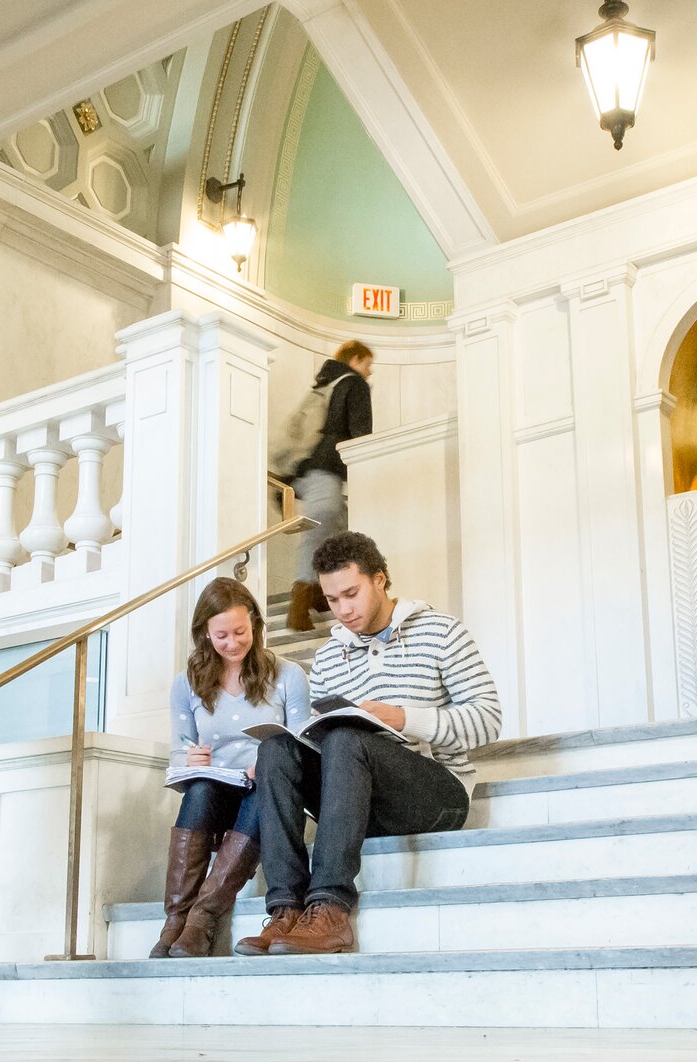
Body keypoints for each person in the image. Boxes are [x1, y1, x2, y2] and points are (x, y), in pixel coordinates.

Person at [241, 532, 500, 956]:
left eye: (351, 594)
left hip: (436, 796)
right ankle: (286, 909)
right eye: (332, 600)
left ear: (380, 579)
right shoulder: (327, 658)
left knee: (346, 738)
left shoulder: (441, 632)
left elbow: (488, 721)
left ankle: (329, 908)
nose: (343, 610)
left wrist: (403, 718)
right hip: (355, 802)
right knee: (275, 751)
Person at [157, 577, 311, 958]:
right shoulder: (187, 683)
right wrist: (188, 759)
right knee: (201, 789)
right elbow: (179, 752)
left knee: (263, 794)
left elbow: (304, 745)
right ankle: (175, 920)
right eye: (221, 635)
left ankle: (202, 919)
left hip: (267, 792)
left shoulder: (289, 675)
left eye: (240, 632)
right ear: (204, 634)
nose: (232, 643)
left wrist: (272, 759)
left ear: (255, 625)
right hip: (216, 788)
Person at [284, 341, 375, 632]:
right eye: (368, 364)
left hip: (308, 470)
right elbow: (361, 434)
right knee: (321, 531)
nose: (370, 372)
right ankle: (299, 605)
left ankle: (321, 596)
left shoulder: (325, 384)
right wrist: (364, 467)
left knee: (339, 531)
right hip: (328, 467)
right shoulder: (353, 383)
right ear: (356, 359)